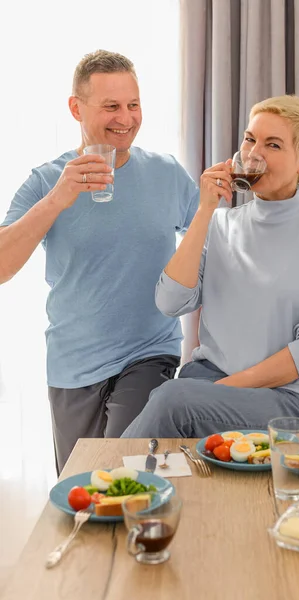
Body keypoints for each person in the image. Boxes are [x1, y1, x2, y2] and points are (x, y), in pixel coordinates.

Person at [0, 50, 199, 472]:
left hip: (150, 355)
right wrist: (58, 198)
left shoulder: (165, 174)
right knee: (82, 494)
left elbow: (217, 240)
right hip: (73, 367)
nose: (125, 118)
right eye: (111, 106)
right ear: (77, 108)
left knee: (126, 473)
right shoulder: (44, 180)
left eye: (133, 104)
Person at [122, 95, 299, 440]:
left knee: (173, 401)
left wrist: (221, 391)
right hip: (210, 382)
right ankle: (127, 486)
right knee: (175, 410)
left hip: (293, 401)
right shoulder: (219, 225)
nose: (253, 154)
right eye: (250, 139)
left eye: (273, 145)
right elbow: (170, 303)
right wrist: (204, 212)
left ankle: (108, 487)